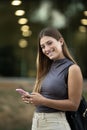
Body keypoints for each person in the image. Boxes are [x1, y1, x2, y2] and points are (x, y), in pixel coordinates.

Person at [22, 27, 83, 130]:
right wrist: (32, 98)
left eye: (49, 43)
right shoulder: (45, 68)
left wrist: (43, 101)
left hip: (56, 124)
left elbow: (74, 105)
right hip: (37, 122)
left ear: (61, 41)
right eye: (43, 46)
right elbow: (46, 98)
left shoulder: (73, 69)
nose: (46, 49)